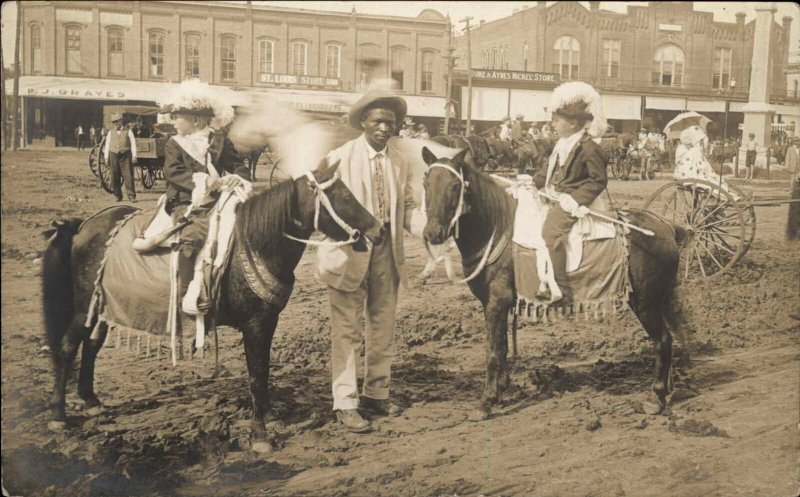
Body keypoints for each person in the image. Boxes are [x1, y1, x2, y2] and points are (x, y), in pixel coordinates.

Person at [316, 89, 417, 433]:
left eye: (390, 122)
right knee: (347, 329)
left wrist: (428, 229)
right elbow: (323, 208)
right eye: (378, 121)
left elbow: (407, 206)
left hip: (387, 251)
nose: (385, 128)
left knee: (384, 324)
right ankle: (345, 403)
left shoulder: (400, 161)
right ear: (363, 122)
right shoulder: (339, 158)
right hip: (349, 253)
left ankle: (377, 394)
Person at [160, 80, 249, 314]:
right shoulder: (174, 143)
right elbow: (173, 173)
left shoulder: (220, 141)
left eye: (177, 116)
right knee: (193, 235)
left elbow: (238, 166)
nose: (173, 121)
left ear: (196, 120)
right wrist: (203, 181)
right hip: (187, 200)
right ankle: (186, 291)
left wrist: (235, 178)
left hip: (220, 197)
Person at [532, 81, 608, 303]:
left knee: (551, 230)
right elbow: (548, 172)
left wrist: (575, 200)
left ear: (574, 123)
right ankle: (540, 276)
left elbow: (598, 180)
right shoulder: (562, 144)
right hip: (554, 195)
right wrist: (529, 182)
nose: (553, 124)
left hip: (576, 202)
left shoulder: (589, 148)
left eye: (557, 120)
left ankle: (562, 290)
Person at [103, 113, 138, 202]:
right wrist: (106, 157)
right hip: (113, 154)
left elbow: (133, 144)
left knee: (128, 175)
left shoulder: (128, 131)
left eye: (116, 121)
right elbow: (107, 145)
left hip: (125, 155)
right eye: (113, 122)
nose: (115, 124)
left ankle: (131, 196)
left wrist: (134, 155)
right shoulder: (111, 132)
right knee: (115, 176)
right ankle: (117, 195)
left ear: (121, 121)